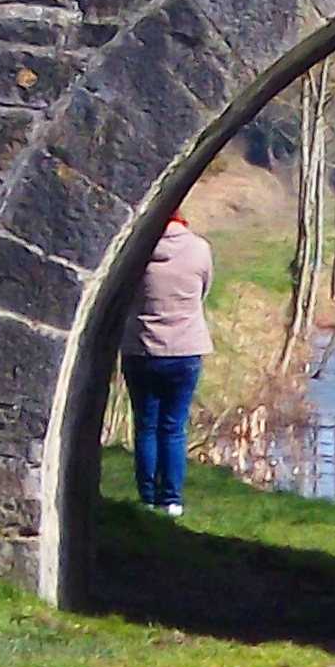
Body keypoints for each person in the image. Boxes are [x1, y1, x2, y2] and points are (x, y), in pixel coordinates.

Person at [123, 210, 213, 516]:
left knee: (146, 426)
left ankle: (147, 498)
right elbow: (204, 290)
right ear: (183, 221)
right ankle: (171, 499)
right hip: (186, 350)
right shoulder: (200, 249)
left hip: (142, 349)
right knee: (174, 428)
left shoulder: (137, 250)